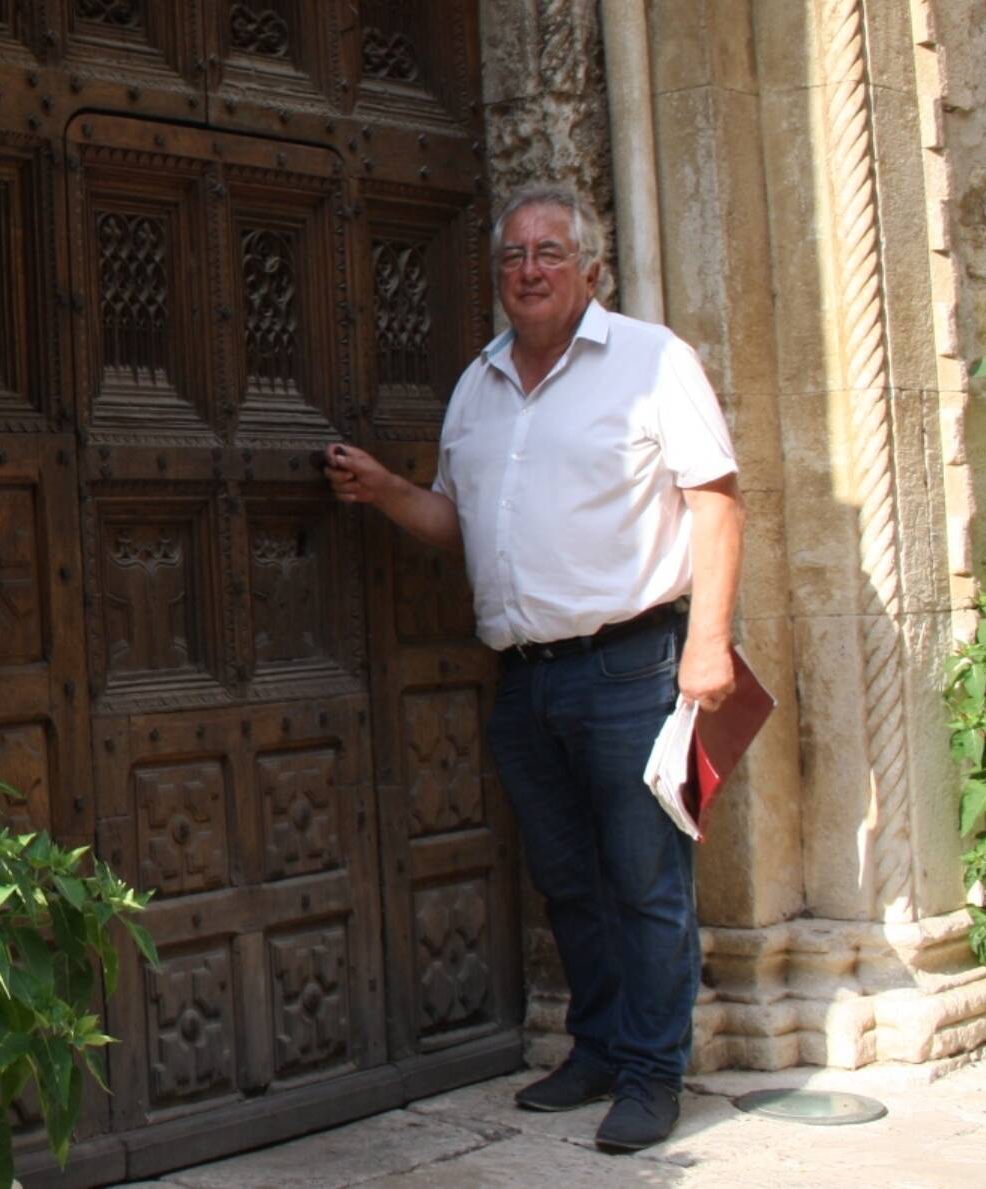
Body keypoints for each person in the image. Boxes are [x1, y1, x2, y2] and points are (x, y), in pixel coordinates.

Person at [326, 183, 744, 1152]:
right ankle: (597, 1047)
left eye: (549, 252)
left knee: (645, 879)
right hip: (527, 682)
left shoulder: (651, 361)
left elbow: (715, 502)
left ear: (589, 269)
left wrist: (708, 641)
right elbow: (456, 521)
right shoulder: (478, 385)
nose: (529, 270)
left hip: (631, 667)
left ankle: (652, 1072)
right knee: (566, 878)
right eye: (513, 256)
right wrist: (387, 491)